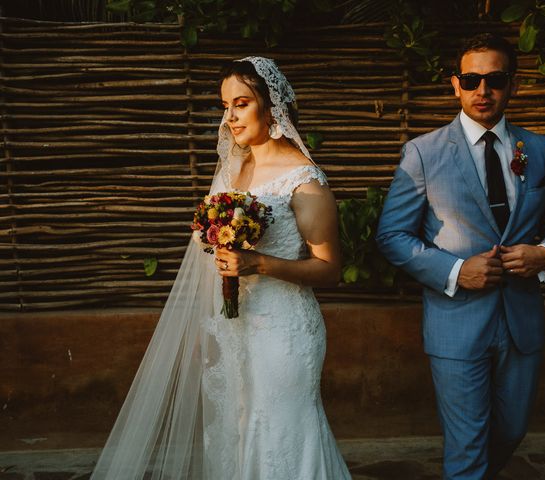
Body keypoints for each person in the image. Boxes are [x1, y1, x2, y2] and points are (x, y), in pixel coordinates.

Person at [91, 57, 351, 480]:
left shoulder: (305, 181)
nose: (229, 116)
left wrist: (258, 262)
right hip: (236, 326)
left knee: (281, 432)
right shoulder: (236, 167)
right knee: (240, 428)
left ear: (272, 107)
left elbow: (329, 269)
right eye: (225, 105)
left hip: (284, 330)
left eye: (241, 104)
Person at [376, 33, 545, 480]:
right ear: (455, 85)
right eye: (471, 79)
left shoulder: (538, 149)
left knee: (511, 430)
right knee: (467, 449)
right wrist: (454, 270)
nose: (482, 91)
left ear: (513, 85)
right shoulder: (423, 153)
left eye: (495, 79)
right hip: (456, 324)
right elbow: (391, 234)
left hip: (522, 322)